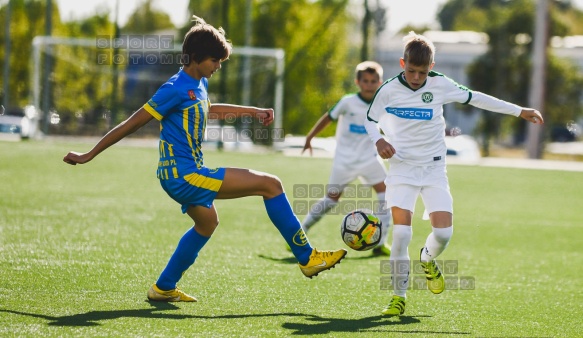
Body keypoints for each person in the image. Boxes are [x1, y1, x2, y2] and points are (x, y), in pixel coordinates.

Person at [63, 15, 347, 302]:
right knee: (270, 184)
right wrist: (89, 155)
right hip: (184, 175)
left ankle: (163, 287)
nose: (218, 67)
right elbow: (131, 123)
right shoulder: (174, 88)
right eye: (215, 61)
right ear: (196, 58)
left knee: (207, 223)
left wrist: (253, 111)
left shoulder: (197, 84)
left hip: (183, 173)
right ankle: (307, 257)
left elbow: (211, 110)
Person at [364, 31, 544, 316]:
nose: (415, 77)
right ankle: (398, 297)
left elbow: (476, 98)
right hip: (402, 169)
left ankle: (427, 258)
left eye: (422, 72)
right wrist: (379, 140)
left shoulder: (440, 85)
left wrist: (518, 111)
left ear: (431, 68)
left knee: (444, 234)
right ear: (402, 63)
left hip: (434, 168)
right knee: (400, 235)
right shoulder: (387, 90)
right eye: (411, 70)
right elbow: (370, 120)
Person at [301, 61, 391, 256]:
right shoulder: (347, 102)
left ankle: (380, 242)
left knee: (387, 194)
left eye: (373, 81)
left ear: (380, 82)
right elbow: (328, 117)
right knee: (332, 199)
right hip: (344, 161)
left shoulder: (382, 105)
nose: (369, 85)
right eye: (365, 81)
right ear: (357, 82)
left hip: (370, 159)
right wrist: (310, 137)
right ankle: (301, 232)